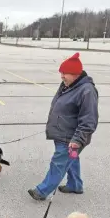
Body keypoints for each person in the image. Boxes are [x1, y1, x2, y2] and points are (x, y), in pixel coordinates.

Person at [28, 52, 99, 201]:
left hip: (71, 137)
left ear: (75, 74)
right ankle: (75, 185)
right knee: (72, 159)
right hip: (63, 133)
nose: (62, 76)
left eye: (64, 73)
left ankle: (42, 191)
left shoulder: (87, 91)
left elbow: (89, 120)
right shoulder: (68, 85)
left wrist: (77, 140)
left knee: (59, 163)